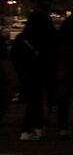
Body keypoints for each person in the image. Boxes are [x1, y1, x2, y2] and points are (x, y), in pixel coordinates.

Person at [11, 10, 56, 139]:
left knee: (32, 100)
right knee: (39, 99)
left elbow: (14, 56)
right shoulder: (48, 37)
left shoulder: (22, 38)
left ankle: (29, 129)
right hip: (43, 72)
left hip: (26, 73)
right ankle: (37, 126)